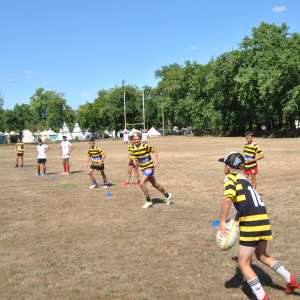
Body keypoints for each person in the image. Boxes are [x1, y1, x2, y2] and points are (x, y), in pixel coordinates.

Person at [218, 151, 299, 300]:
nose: (223, 167)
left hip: (252, 223)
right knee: (262, 255)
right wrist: (236, 221)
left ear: (228, 167)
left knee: (243, 263)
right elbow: (244, 203)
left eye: (224, 164)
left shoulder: (230, 178)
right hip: (263, 220)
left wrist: (222, 222)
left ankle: (262, 297)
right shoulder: (244, 179)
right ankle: (292, 280)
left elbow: (227, 200)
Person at [130, 132, 172, 208]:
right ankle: (167, 195)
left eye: (138, 139)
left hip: (149, 167)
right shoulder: (132, 149)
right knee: (155, 184)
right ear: (133, 140)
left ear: (140, 139)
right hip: (143, 168)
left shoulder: (145, 146)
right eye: (135, 139)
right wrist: (135, 163)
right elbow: (133, 158)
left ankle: (148, 201)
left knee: (141, 183)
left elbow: (155, 151)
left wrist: (156, 160)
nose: (136, 141)